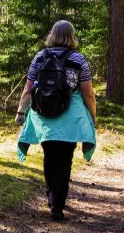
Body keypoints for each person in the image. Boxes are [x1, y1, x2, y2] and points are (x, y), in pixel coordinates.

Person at [15, 20, 97, 221]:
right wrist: (93, 117)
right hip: (71, 118)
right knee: (65, 160)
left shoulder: (40, 57)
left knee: (49, 157)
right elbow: (88, 94)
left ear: (52, 35)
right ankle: (57, 205)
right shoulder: (79, 59)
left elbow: (28, 88)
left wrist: (20, 112)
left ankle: (52, 200)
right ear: (72, 36)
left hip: (44, 116)